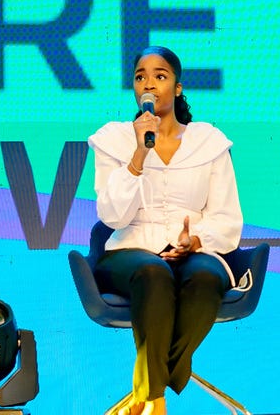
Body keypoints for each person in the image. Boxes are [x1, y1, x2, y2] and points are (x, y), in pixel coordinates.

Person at [88, 46, 245, 415]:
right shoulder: (113, 139)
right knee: (154, 272)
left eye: (160, 76)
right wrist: (139, 156)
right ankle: (154, 399)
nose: (149, 84)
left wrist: (196, 240)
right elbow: (112, 215)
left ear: (177, 88)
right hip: (129, 251)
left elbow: (228, 218)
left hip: (194, 249)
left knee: (206, 279)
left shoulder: (209, 142)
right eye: (141, 76)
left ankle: (146, 390)